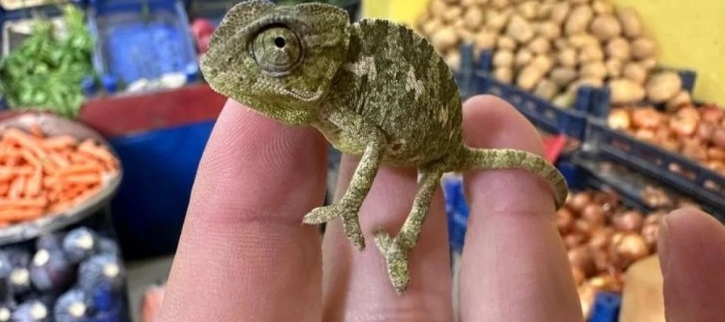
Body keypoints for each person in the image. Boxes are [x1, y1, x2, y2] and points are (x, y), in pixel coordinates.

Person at [156, 96, 725, 321]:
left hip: (425, 146)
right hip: (418, 143)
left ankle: (398, 246)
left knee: (427, 183)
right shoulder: (324, 103)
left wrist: (347, 207)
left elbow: (375, 145)